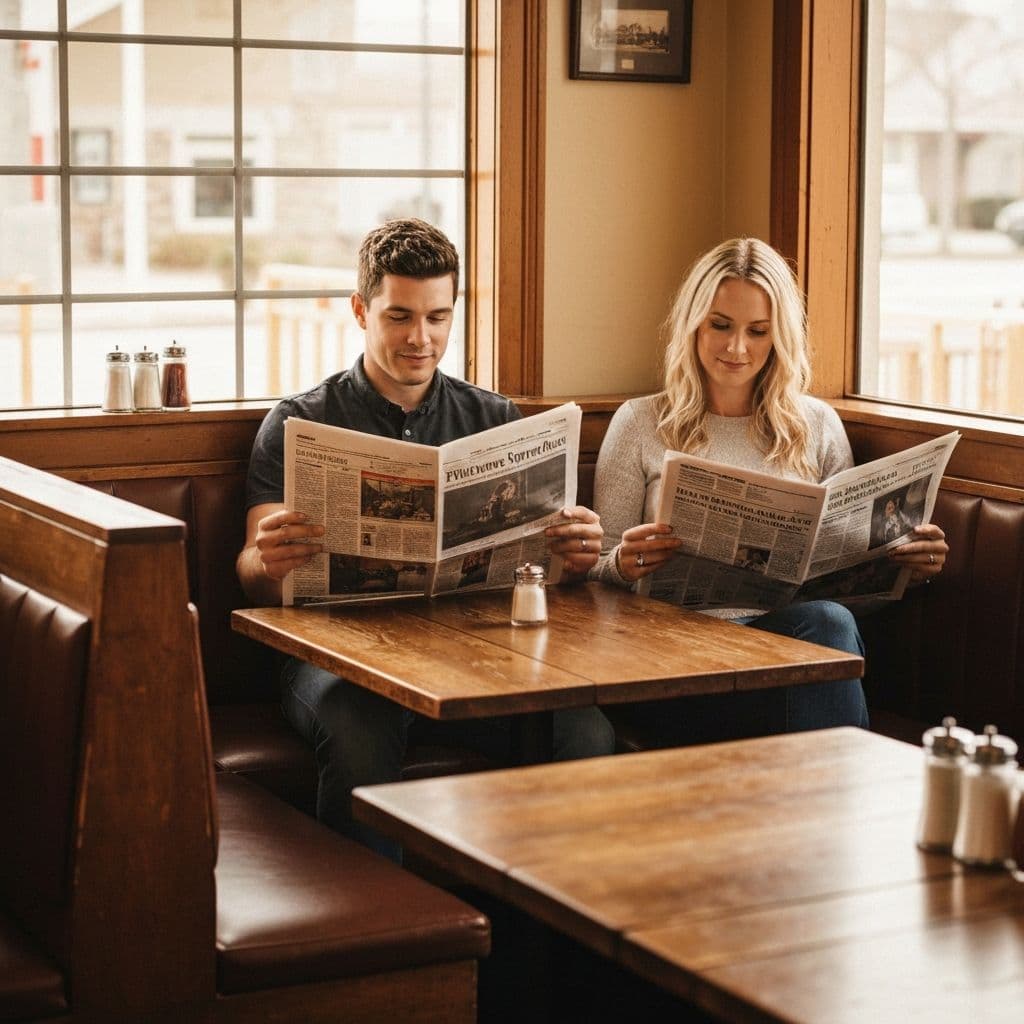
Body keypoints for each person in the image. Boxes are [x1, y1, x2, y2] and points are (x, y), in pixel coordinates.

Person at [236, 218, 614, 858]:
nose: (421, 338)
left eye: (438, 317)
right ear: (361, 311)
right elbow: (250, 571)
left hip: (475, 654)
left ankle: (546, 943)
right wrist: (266, 558)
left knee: (584, 733)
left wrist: (572, 554)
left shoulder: (492, 418)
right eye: (400, 317)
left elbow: (547, 572)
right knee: (358, 728)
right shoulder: (300, 421)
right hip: (339, 660)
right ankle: (376, 940)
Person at [591, 237, 949, 743]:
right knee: (824, 637)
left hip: (781, 661)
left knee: (828, 622)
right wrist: (624, 563)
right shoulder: (640, 423)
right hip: (672, 663)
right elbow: (597, 572)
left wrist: (904, 569)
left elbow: (839, 594)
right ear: (693, 324)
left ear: (778, 337)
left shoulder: (817, 425)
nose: (737, 348)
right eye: (720, 325)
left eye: (758, 331)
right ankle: (850, 799)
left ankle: (825, 801)